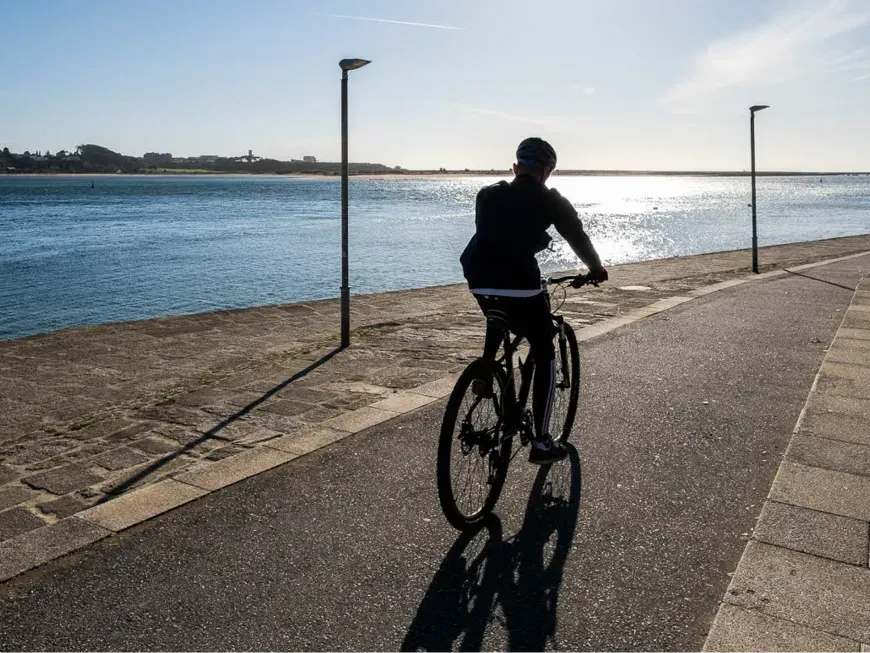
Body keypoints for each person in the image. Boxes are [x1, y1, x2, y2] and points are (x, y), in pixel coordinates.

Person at [460, 137, 608, 464]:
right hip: (520, 285)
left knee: (499, 312)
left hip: (479, 280)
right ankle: (541, 443)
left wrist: (534, 239)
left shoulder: (487, 195)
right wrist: (596, 269)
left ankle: (487, 370)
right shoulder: (550, 199)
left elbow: (494, 236)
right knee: (543, 348)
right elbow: (577, 236)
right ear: (547, 172)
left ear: (515, 168)